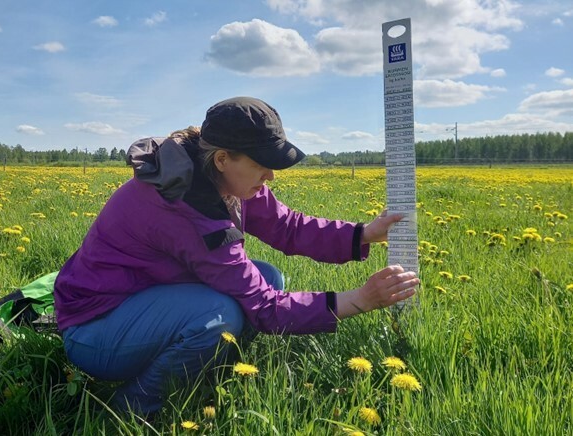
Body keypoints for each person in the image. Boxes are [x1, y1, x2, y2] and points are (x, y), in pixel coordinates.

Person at [54, 96, 419, 415]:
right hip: (95, 329)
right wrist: (359, 300)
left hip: (146, 300)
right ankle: (137, 406)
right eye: (262, 164)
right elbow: (265, 309)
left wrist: (363, 234)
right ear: (224, 159)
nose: (271, 176)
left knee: (268, 276)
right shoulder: (184, 203)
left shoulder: (218, 177)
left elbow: (287, 226)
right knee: (222, 315)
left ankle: (204, 371)